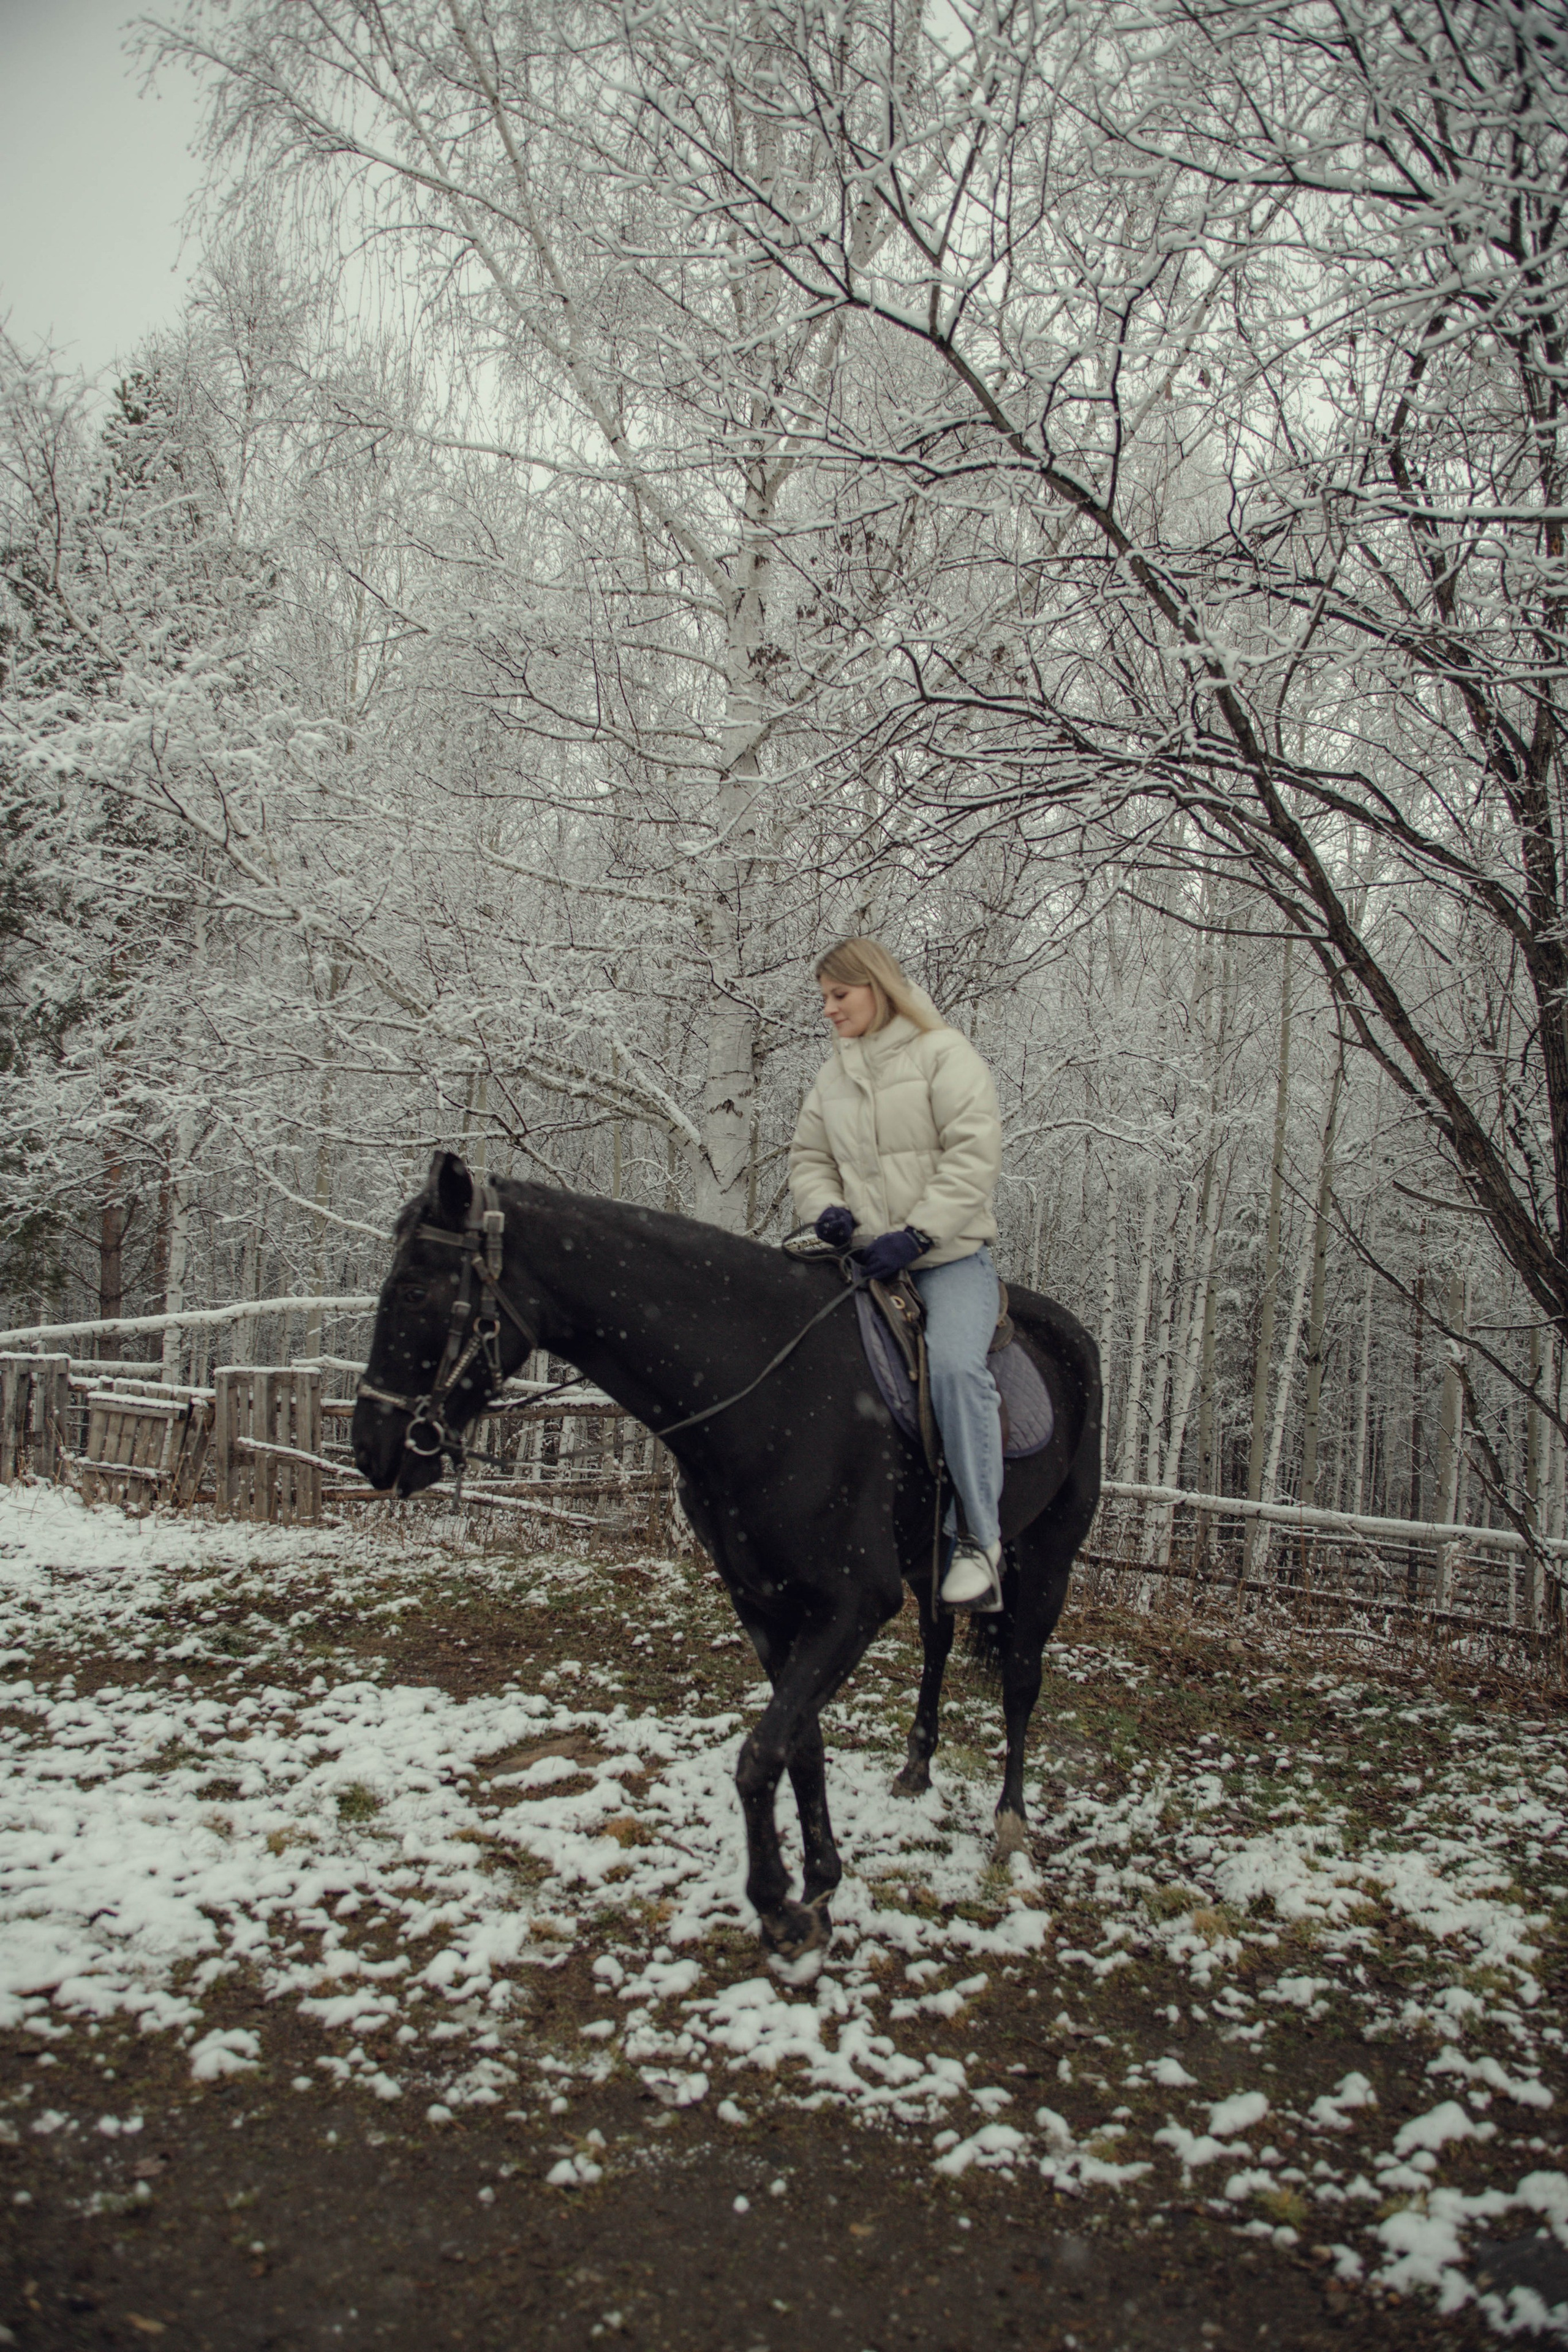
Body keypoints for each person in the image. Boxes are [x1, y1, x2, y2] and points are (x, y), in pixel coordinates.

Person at [789, 937, 1007, 1611]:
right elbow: (809, 1157)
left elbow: (974, 1154)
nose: (827, 1010)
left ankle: (978, 1536)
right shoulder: (833, 1076)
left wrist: (917, 1235)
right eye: (822, 997)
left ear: (876, 989)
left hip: (947, 1259)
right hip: (861, 1261)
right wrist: (826, 1211)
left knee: (954, 1370)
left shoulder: (945, 1054)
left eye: (838, 995)